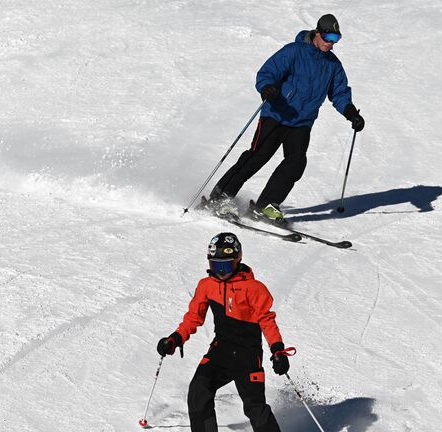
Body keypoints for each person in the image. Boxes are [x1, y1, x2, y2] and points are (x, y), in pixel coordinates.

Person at [207, 14, 365, 222]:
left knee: (296, 162)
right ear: (317, 32)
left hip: (302, 122)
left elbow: (339, 93)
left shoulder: (333, 65)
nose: (331, 43)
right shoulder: (294, 51)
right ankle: (220, 198)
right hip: (277, 114)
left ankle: (266, 205)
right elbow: (267, 72)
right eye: (328, 37)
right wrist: (267, 88)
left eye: (336, 39)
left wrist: (351, 113)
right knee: (257, 157)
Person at [156, 233, 292, 432]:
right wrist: (175, 338)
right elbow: (194, 317)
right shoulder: (206, 286)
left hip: (247, 355)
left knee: (255, 407)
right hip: (221, 351)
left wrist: (278, 350)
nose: (220, 272)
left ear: (238, 260)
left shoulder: (254, 288)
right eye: (215, 266)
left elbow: (267, 320)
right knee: (198, 391)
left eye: (225, 266)